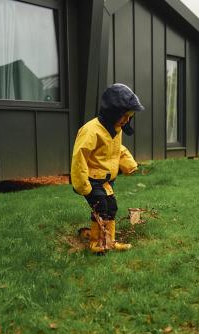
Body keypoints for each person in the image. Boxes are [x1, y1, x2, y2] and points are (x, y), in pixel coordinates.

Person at [71, 83, 144, 254]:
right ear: (112, 112)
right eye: (124, 116)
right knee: (101, 207)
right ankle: (97, 243)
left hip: (106, 180)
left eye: (130, 116)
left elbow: (117, 150)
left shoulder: (116, 129)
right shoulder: (91, 131)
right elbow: (79, 156)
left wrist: (129, 164)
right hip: (91, 179)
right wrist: (82, 185)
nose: (126, 120)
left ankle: (108, 241)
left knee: (111, 208)